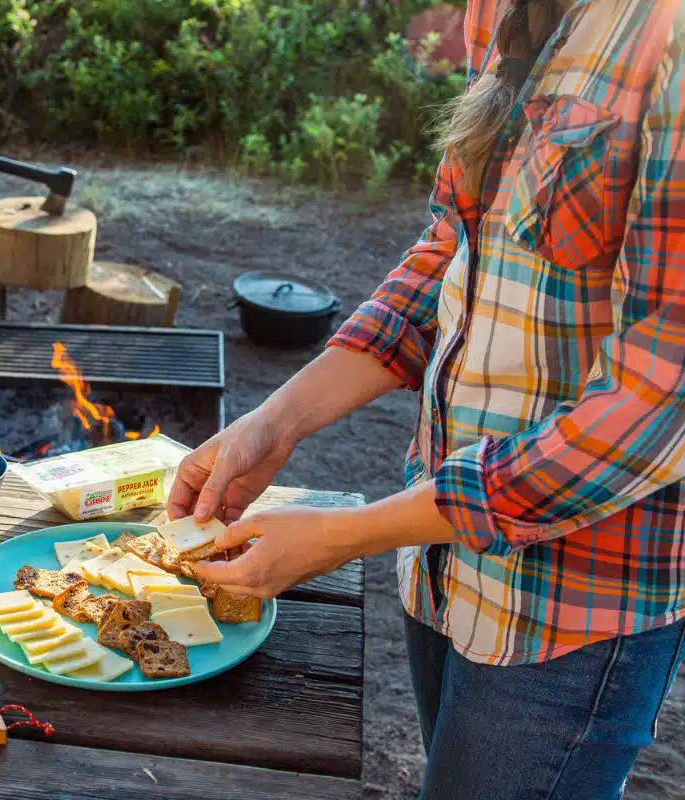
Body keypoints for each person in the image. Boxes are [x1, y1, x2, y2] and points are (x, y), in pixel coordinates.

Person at [168, 1, 685, 797]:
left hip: (573, 612)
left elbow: (654, 408)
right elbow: (450, 254)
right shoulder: (499, 12)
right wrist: (275, 422)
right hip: (443, 563)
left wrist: (350, 534)